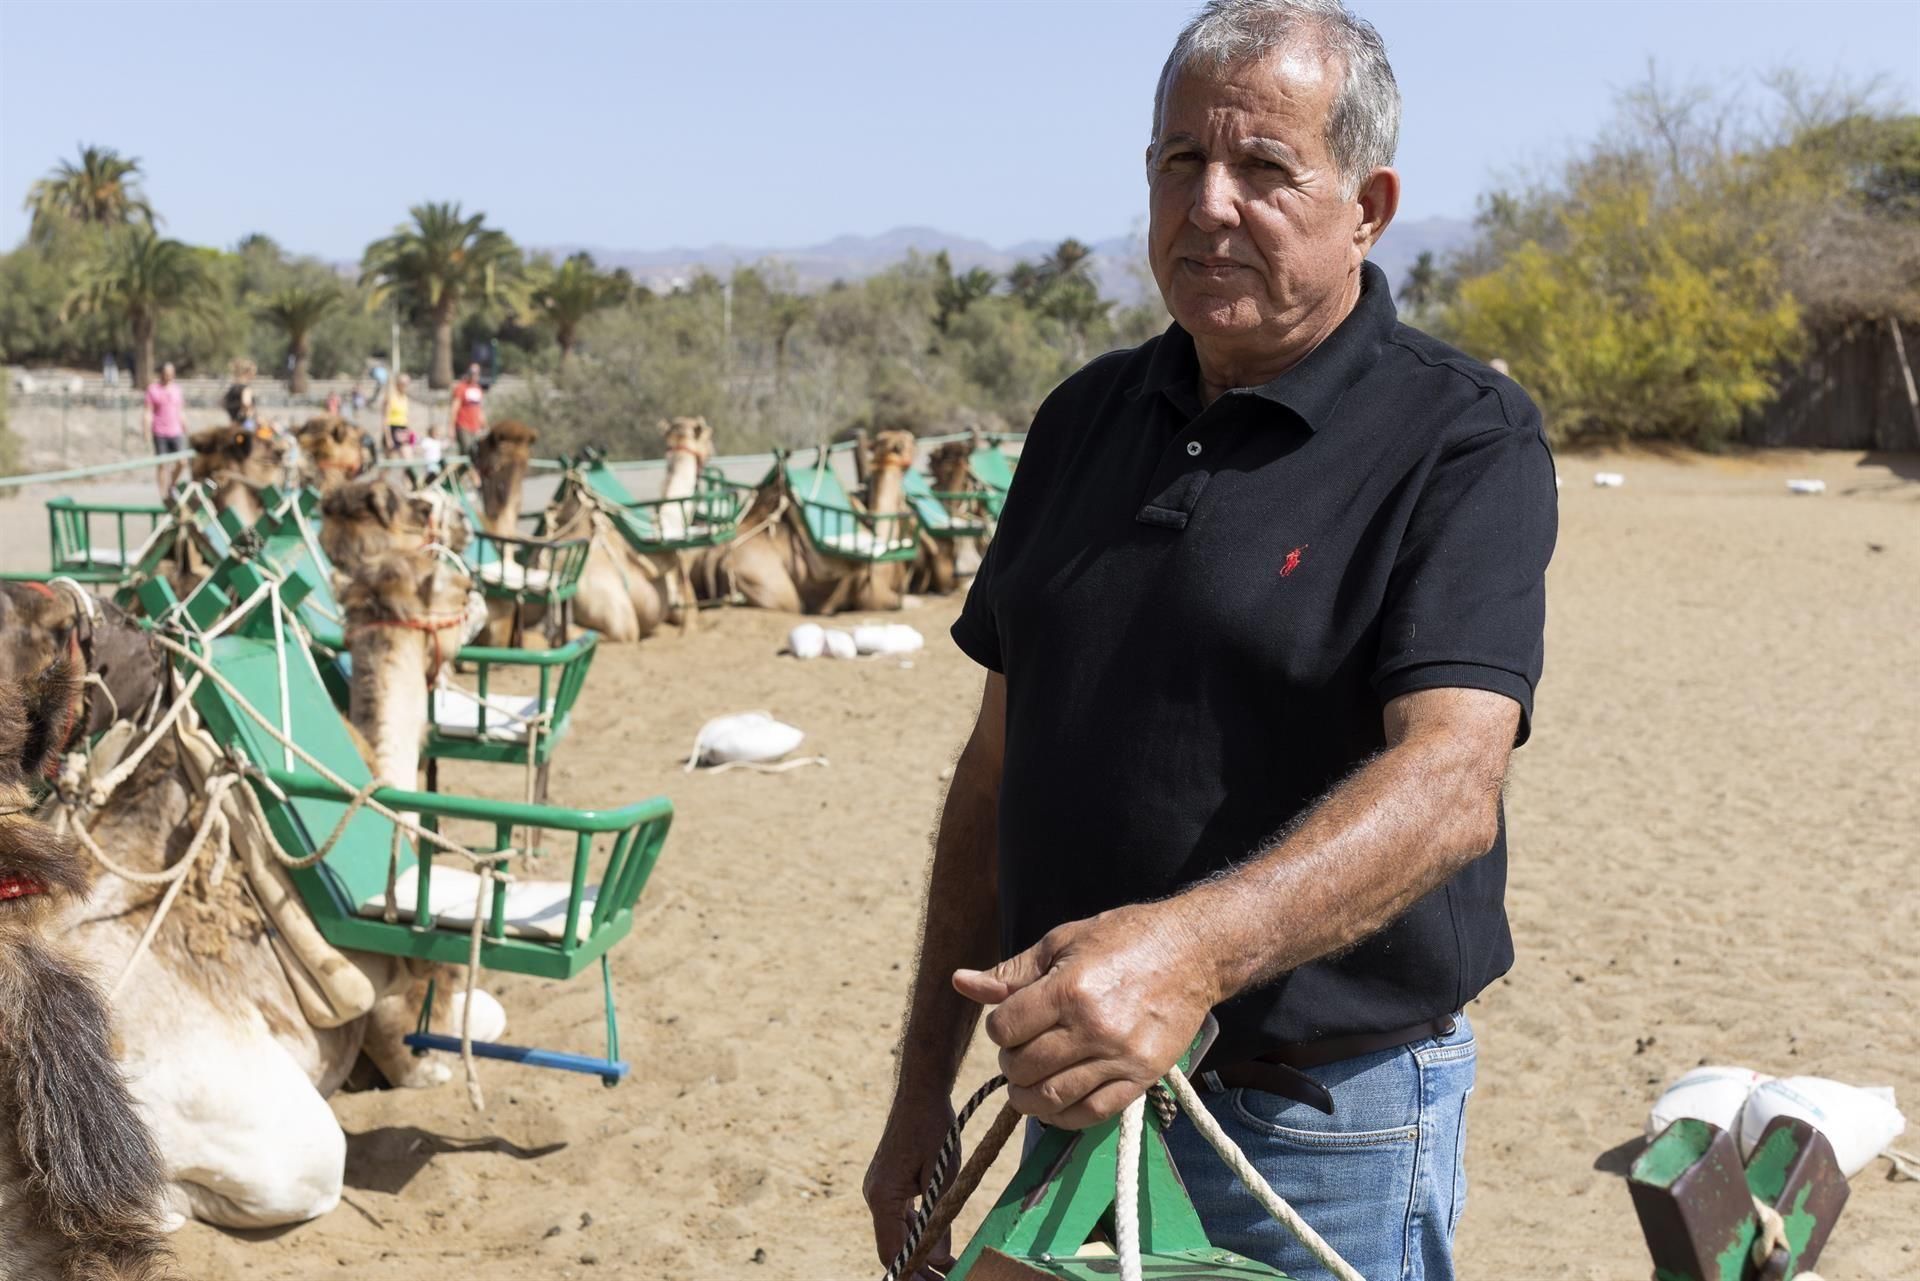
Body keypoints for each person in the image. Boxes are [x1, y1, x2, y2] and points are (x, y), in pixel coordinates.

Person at [864, 3, 1557, 1279]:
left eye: (1263, 167)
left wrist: (1189, 953)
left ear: (1369, 205)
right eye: (1181, 162)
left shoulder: (1461, 439)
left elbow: (1453, 784)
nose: (1212, 204)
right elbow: (996, 776)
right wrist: (922, 1087)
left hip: (1311, 1130)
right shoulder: (1083, 420)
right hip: (1069, 1093)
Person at [144, 361, 187, 499]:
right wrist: (146, 431)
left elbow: (180, 411)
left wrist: (185, 426)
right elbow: (148, 412)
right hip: (160, 431)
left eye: (171, 374)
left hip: (176, 431)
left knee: (182, 462)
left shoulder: (177, 390)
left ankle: (172, 485)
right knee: (162, 465)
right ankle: (163, 495)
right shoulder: (153, 389)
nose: (169, 377)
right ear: (162, 374)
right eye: (167, 374)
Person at [449, 361, 488, 454]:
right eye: (472, 373)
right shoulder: (461, 387)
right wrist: (451, 428)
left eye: (477, 373)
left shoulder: (478, 389)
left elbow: (479, 409)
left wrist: (485, 425)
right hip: (463, 425)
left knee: (476, 453)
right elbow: (454, 408)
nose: (474, 376)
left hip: (475, 427)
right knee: (467, 451)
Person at [385, 373, 415, 458]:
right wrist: (388, 438)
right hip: (392, 429)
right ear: (398, 384)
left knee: (408, 461)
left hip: (403, 430)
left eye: (407, 383)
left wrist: (409, 431)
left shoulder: (405, 398)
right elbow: (385, 419)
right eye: (404, 384)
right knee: (388, 465)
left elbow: (405, 417)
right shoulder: (391, 397)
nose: (406, 386)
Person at [223, 359, 256, 427]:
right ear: (247, 373)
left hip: (233, 424)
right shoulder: (246, 389)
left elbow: (223, 403)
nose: (254, 376)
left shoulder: (232, 388)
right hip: (245, 424)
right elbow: (246, 403)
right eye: (253, 373)